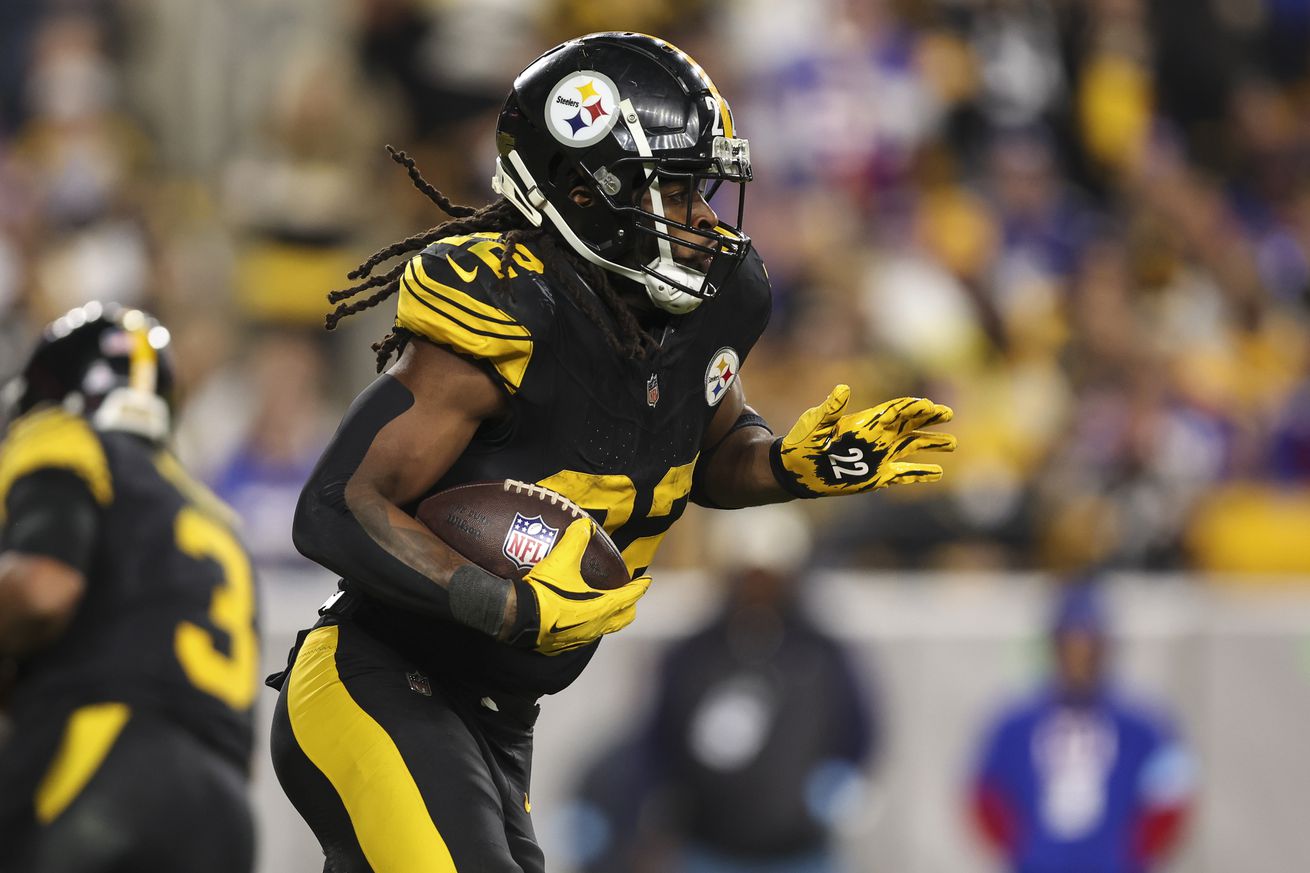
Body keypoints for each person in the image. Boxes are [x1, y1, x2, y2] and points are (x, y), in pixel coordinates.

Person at [268, 32, 956, 873]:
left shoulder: (709, 308)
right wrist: (497, 600)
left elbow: (704, 449)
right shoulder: (508, 310)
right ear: (588, 195)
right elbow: (336, 506)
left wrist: (784, 466)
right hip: (376, 680)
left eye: (703, 189)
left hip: (497, 720)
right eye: (675, 190)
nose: (705, 217)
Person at [0, 302, 259, 873]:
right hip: (225, 812)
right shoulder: (218, 520)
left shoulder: (64, 437)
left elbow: (43, 589)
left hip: (104, 761)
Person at [569, 504, 878, 873]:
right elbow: (659, 740)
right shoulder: (692, 656)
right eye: (748, 575)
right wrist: (652, 813)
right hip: (708, 850)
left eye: (770, 576)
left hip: (801, 852)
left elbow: (858, 726)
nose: (758, 588)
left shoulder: (820, 655)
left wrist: (837, 783)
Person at [968, 580, 1195, 873]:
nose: (1079, 659)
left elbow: (1173, 795)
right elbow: (984, 794)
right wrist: (1023, 850)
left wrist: (1131, 854)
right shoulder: (1014, 722)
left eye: (1089, 646)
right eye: (1071, 646)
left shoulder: (1143, 721)